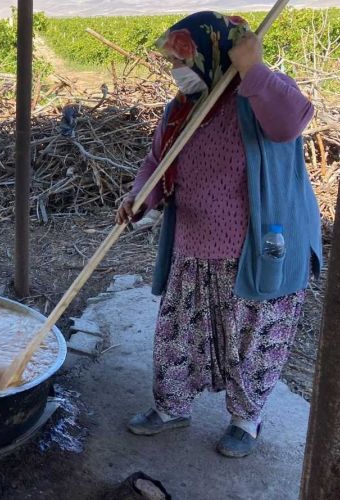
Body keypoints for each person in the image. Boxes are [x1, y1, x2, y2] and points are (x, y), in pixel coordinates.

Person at [116, 12, 322, 457]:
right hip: (193, 246)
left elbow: (291, 122)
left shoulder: (259, 90)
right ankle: (172, 407)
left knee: (252, 341)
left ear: (213, 54)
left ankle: (246, 422)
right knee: (178, 334)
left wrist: (252, 67)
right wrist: (139, 199)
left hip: (254, 250)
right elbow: (157, 162)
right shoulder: (182, 109)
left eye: (183, 59)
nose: (176, 70)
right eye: (172, 61)